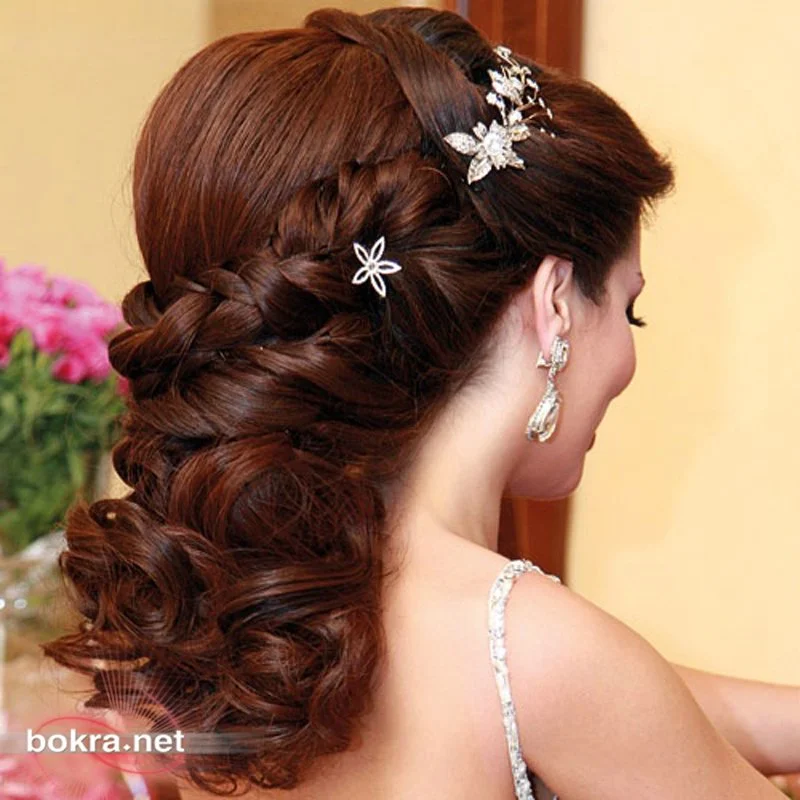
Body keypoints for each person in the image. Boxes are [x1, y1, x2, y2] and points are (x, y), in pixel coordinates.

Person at [42, 7, 793, 799]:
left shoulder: (251, 615)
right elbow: (587, 693)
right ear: (555, 307)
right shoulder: (532, 649)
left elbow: (625, 712)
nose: (627, 357)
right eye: (628, 309)